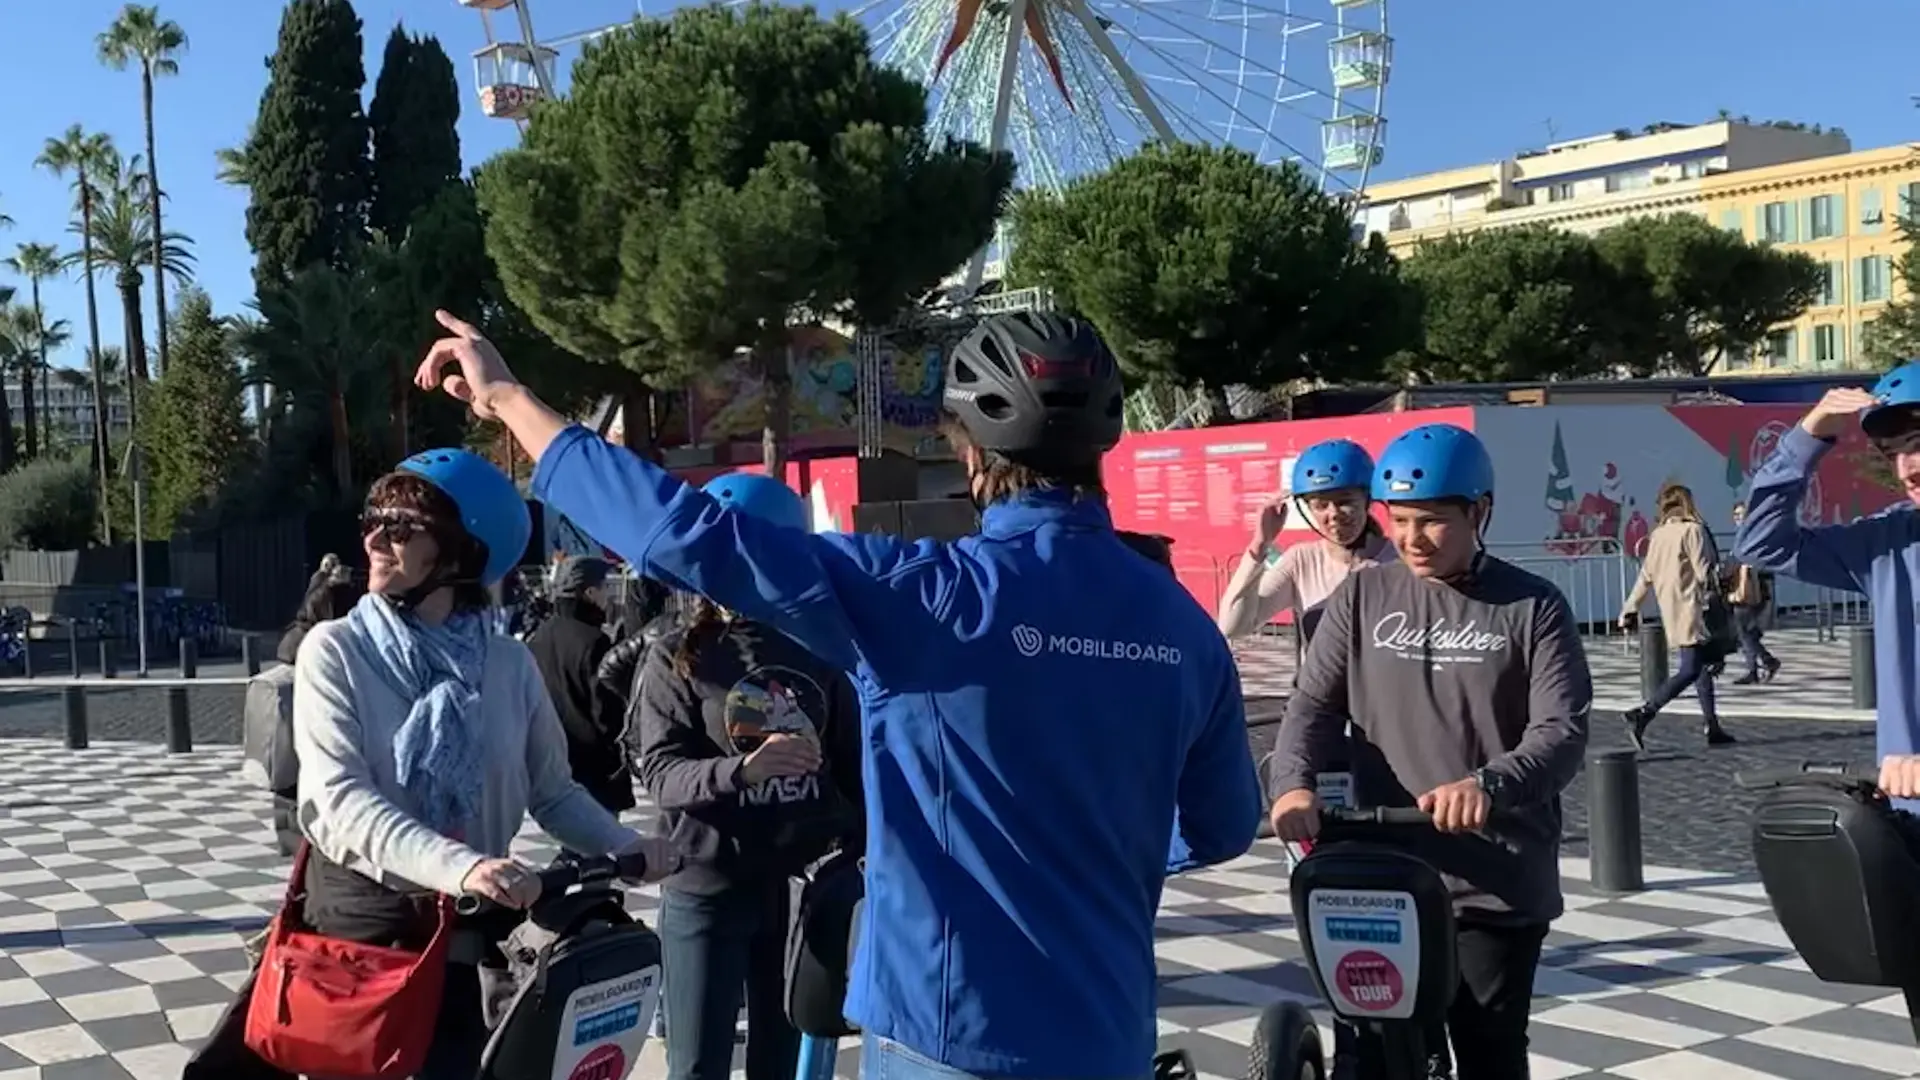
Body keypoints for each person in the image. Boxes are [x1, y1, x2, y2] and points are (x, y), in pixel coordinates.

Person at [415, 307, 1261, 1080]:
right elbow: (1221, 825)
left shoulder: (929, 595)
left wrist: (511, 401)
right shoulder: (1182, 625)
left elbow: (688, 534)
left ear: (966, 447)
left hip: (950, 1034)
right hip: (1109, 1037)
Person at [193, 448, 680, 1080]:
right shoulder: (335, 650)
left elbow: (553, 793)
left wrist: (628, 843)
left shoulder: (508, 664)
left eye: (399, 527)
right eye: (373, 519)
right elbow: (341, 799)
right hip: (362, 933)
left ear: (461, 554)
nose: (373, 538)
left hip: (466, 927)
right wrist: (463, 865)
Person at [1267, 422, 1592, 1080]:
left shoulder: (1533, 607)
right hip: (1383, 872)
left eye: (1434, 521)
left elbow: (1561, 731)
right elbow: (1314, 705)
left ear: (1482, 512)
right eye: (1402, 520)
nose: (1412, 539)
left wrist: (1488, 785)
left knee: (1488, 1052)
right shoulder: (1363, 594)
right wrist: (1294, 783)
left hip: (1492, 878)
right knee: (1374, 1054)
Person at [630, 471, 865, 1080]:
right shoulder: (675, 653)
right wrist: (743, 770)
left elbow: (854, 769)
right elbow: (660, 773)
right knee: (698, 1066)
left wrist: (861, 853)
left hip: (799, 890)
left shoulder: (821, 648)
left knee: (780, 1063)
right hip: (705, 889)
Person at [1733, 370, 1920, 803]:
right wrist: (1807, 438)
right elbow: (1761, 543)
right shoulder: (1888, 542)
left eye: (1916, 445)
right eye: (1891, 452)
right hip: (1908, 820)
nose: (1905, 469)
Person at [1216, 438, 1395, 643]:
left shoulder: (1398, 560)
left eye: (1345, 502)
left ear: (1367, 500)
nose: (1333, 514)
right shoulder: (1302, 560)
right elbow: (1232, 626)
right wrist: (1259, 545)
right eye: (1320, 505)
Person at [1618, 482, 1736, 750]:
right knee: (1690, 669)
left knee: (1701, 667)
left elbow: (1645, 576)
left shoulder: (1658, 535)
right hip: (1695, 609)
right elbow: (1705, 573)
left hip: (1673, 610)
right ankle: (1644, 713)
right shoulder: (1692, 531)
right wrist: (1730, 570)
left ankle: (1712, 725)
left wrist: (1630, 607)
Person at [525, 554, 635, 816]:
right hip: (594, 764)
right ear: (588, 592)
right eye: (604, 588)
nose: (608, 596)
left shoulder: (539, 636)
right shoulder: (593, 640)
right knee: (601, 840)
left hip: (553, 756)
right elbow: (605, 711)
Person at [1725, 501, 1780, 686]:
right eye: (1737, 516)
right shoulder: (1745, 535)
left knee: (1745, 631)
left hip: (1754, 588)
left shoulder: (1754, 535)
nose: (1740, 519)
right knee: (1747, 632)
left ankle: (1765, 662)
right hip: (1746, 586)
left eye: (1743, 515)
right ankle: (1755, 668)